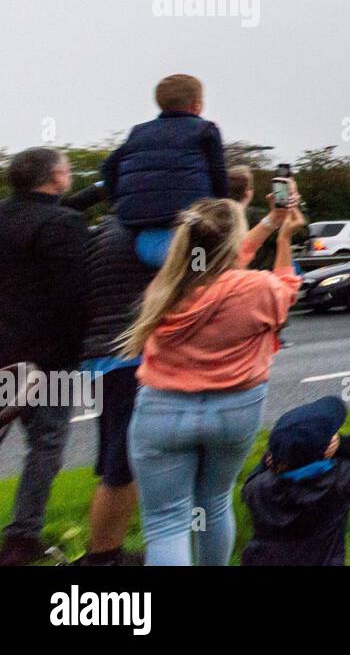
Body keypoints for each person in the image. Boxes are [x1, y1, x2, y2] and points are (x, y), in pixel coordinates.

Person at [122, 197, 302, 565]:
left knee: (166, 524)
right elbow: (287, 288)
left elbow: (220, 260)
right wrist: (284, 239)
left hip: (162, 411)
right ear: (233, 243)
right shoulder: (258, 288)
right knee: (215, 504)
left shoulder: (166, 288)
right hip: (235, 410)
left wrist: (269, 223)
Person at [0, 148, 89, 566]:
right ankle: (21, 538)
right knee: (46, 445)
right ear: (55, 176)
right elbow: (73, 298)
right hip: (49, 359)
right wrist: (76, 354)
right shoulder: (65, 224)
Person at [75, 215, 157, 566]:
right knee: (121, 465)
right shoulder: (151, 232)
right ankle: (104, 557)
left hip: (101, 357)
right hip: (128, 358)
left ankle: (105, 551)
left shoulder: (105, 229)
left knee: (116, 456)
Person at [240, 396, 350, 566]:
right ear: (326, 451)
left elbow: (252, 479)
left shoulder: (258, 489)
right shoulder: (339, 482)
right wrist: (344, 444)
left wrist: (270, 459)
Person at [100, 74, 229, 267]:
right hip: (191, 217)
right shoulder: (205, 129)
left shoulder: (139, 131)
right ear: (197, 105)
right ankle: (199, 273)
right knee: (199, 265)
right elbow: (218, 172)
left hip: (142, 218)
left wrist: (117, 203)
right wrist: (222, 210)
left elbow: (108, 166)